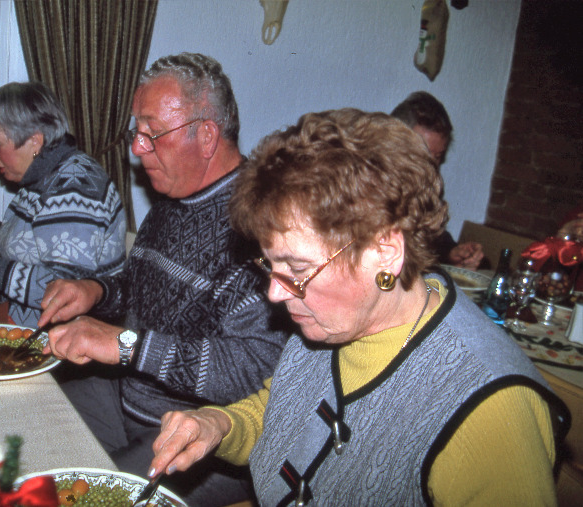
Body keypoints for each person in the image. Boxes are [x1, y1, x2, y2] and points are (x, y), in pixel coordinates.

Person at [145, 109, 569, 505]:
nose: (275, 293)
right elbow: (282, 412)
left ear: (385, 252)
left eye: (296, 268)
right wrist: (219, 425)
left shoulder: (492, 414)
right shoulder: (335, 318)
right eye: (270, 266)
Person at [37, 53, 290, 506]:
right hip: (128, 399)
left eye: (152, 133)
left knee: (82, 498)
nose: (137, 148)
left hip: (199, 442)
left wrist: (126, 345)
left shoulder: (259, 224)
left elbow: (251, 371)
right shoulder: (174, 196)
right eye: (136, 132)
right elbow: (140, 294)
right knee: (32, 421)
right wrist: (96, 291)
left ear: (207, 135)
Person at [0, 82, 127, 327]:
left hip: (64, 337)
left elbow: (65, 293)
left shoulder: (76, 187)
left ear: (35, 142)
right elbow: (33, 244)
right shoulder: (44, 175)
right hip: (21, 319)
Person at [391, 91, 484, 270]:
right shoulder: (365, 186)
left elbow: (432, 236)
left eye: (437, 157)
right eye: (422, 154)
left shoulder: (428, 188)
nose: (431, 167)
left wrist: (451, 253)